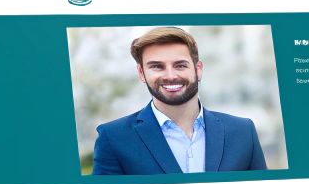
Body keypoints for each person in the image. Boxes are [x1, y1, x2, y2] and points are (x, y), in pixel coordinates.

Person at [91, 27, 268, 175]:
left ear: (198, 70)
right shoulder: (113, 138)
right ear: (141, 73)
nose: (170, 75)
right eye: (157, 66)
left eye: (180, 65)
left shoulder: (243, 132)